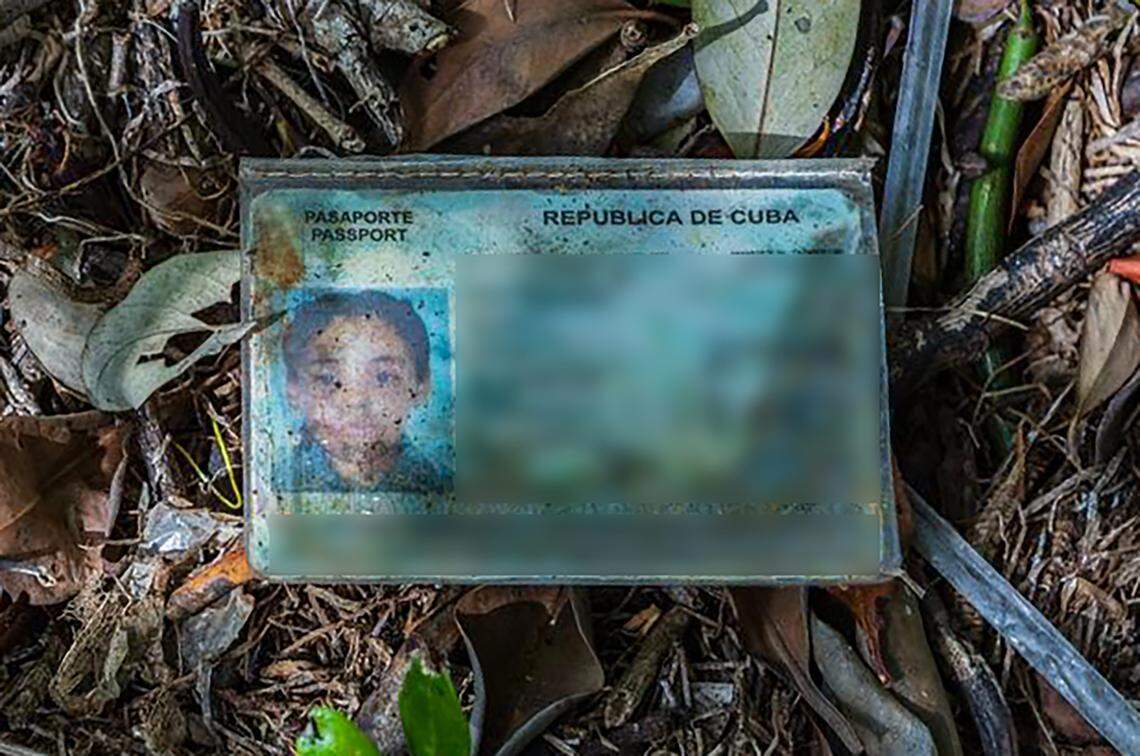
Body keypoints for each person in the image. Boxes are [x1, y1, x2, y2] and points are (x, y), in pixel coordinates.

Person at [281, 290, 451, 493]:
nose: (356, 400)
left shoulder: (445, 487)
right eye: (328, 378)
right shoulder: (273, 484)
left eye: (383, 377)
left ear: (421, 385)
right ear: (293, 388)